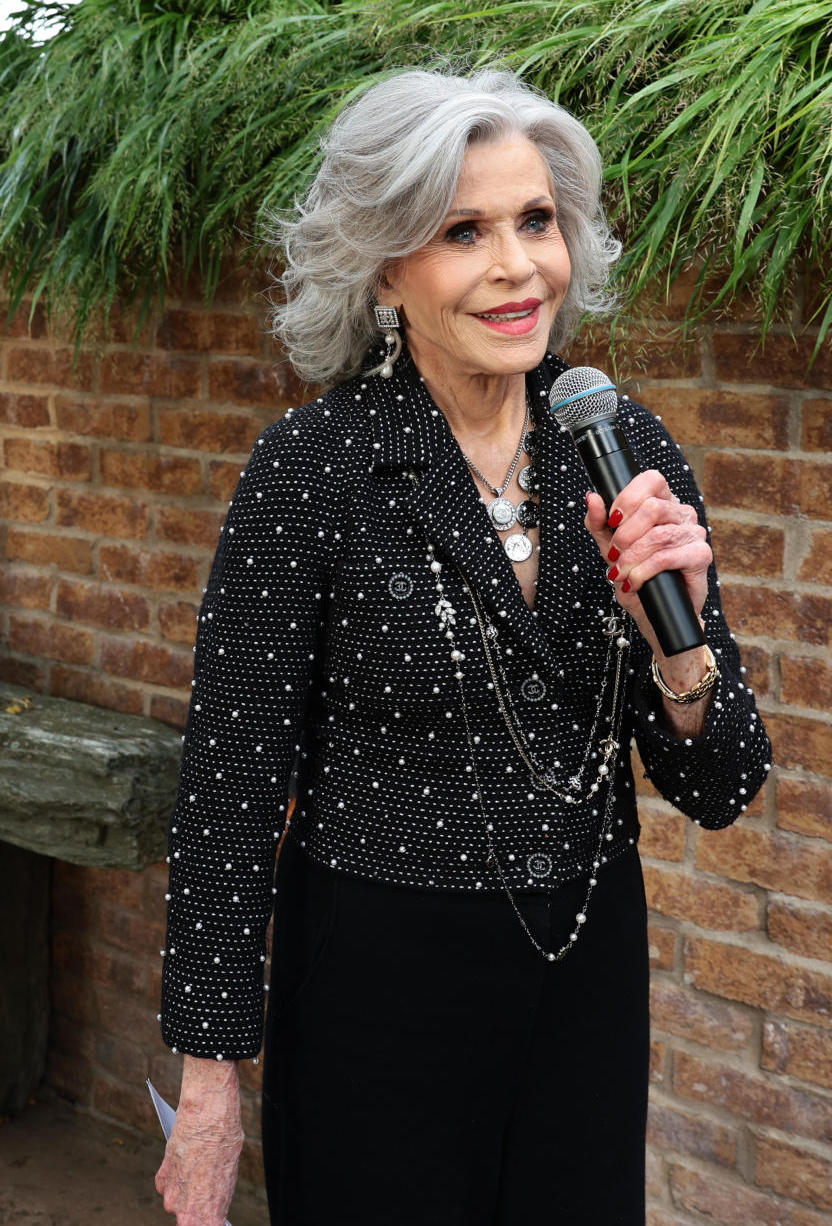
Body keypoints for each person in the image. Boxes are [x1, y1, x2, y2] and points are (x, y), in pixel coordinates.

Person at [155, 66, 772, 1226]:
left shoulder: (621, 442)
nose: (517, 265)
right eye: (462, 231)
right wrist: (208, 1085)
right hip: (377, 993)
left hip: (584, 976)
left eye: (536, 221)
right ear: (386, 266)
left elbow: (721, 778)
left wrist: (677, 650)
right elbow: (230, 788)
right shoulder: (313, 471)